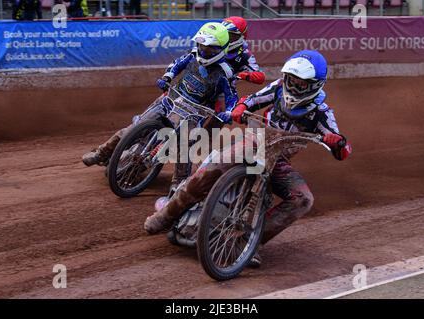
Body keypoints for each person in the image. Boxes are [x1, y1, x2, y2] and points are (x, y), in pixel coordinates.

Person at [144, 50, 352, 267]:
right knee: (212, 167)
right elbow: (251, 100)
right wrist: (241, 108)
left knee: (303, 199)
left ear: (315, 85)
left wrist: (336, 141)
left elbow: (343, 148)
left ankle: (248, 243)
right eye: (292, 79)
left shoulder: (322, 111)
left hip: (278, 160)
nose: (294, 85)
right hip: (253, 142)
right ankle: (166, 215)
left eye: (301, 83)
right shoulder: (278, 88)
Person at [82, 22, 238, 189]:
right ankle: (101, 153)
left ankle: (179, 185)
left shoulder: (225, 72)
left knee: (184, 148)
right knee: (135, 127)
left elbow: (232, 97)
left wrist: (229, 112)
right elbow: (176, 64)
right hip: (169, 101)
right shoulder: (192, 55)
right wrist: (167, 78)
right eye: (201, 46)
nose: (203, 50)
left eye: (208, 48)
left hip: (193, 113)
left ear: (219, 48)